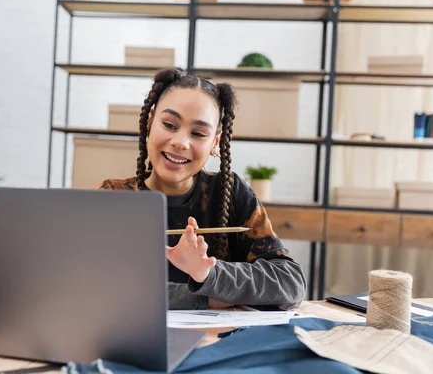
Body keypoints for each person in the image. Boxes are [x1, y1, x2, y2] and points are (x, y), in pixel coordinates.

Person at [96, 68, 306, 310]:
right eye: (169, 125)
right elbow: (95, 287)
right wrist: (205, 297)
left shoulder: (230, 192)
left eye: (198, 133)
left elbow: (290, 283)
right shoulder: (113, 197)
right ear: (149, 122)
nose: (181, 142)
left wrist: (209, 273)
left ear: (215, 143)